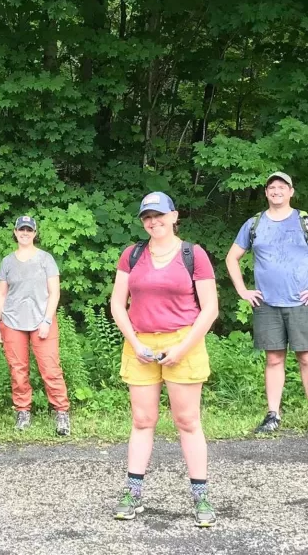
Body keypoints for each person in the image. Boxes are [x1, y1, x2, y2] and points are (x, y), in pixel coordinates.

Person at [110, 192, 218, 527]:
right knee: (142, 421)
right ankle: (133, 494)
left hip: (184, 341)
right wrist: (134, 342)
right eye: (147, 217)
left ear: (174, 216)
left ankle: (201, 497)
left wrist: (182, 349)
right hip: (140, 343)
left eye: (159, 215)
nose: (153, 222)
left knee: (188, 421)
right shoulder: (132, 254)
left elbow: (210, 309)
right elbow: (117, 304)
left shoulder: (193, 255)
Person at [225, 172, 308, 433]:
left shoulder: (304, 220)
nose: (276, 190)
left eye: (282, 186)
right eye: (272, 187)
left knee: (306, 358)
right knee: (273, 358)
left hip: (301, 303)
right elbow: (231, 258)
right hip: (267, 303)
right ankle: (273, 415)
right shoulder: (254, 224)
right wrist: (242, 290)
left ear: (291, 192)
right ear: (266, 193)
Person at [0, 216, 70, 434]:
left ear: (35, 233)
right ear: (15, 232)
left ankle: (61, 413)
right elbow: (1, 294)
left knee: (51, 369)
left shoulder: (46, 259)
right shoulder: (7, 262)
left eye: (29, 230)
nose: (24, 233)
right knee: (18, 370)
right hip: (12, 322)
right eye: (21, 229)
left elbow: (54, 293)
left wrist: (47, 320)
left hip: (42, 322)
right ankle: (23, 412)